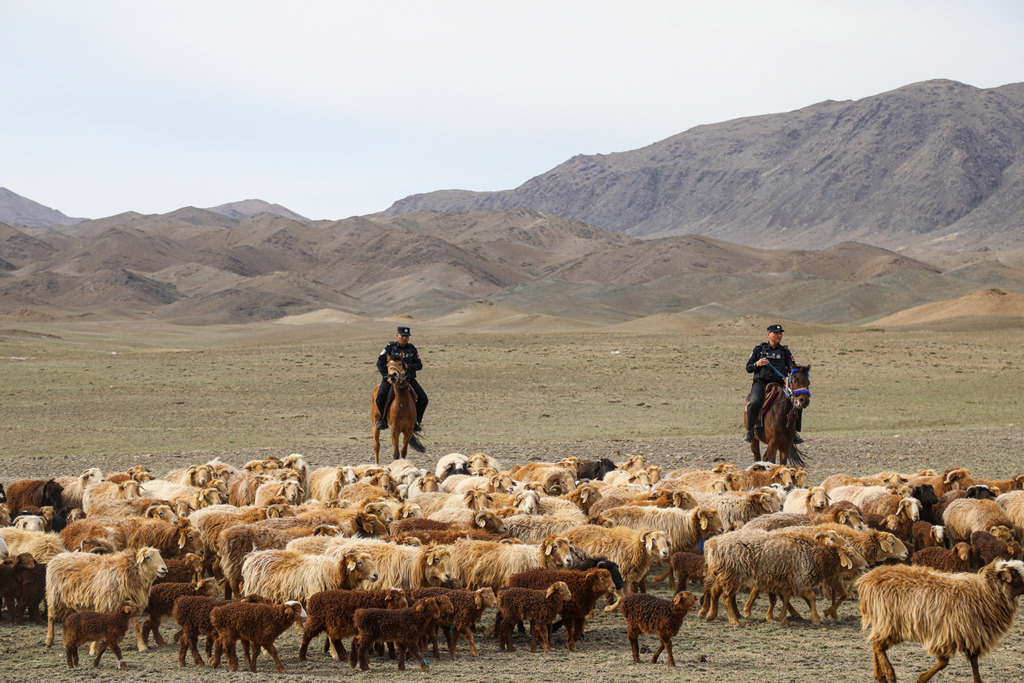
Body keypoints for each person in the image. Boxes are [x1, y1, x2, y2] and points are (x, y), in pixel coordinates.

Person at [744, 323, 803, 444]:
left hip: (780, 384)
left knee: (797, 402)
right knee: (754, 402)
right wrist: (757, 364)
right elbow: (748, 368)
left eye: (780, 333)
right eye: (776, 333)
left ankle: (794, 432)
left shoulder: (785, 351)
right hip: (761, 383)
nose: (779, 335)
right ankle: (750, 431)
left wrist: (790, 377)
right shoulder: (759, 349)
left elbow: (793, 368)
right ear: (768, 334)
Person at [375, 325, 428, 433]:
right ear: (397, 335)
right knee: (380, 396)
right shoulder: (390, 347)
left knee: (423, 398)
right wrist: (386, 377)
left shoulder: (412, 349)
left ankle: (416, 421)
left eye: (406, 336)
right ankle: (383, 420)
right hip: (391, 379)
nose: (404, 338)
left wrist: (409, 366)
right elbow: (380, 362)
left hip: (408, 379)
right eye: (402, 336)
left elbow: (419, 365)